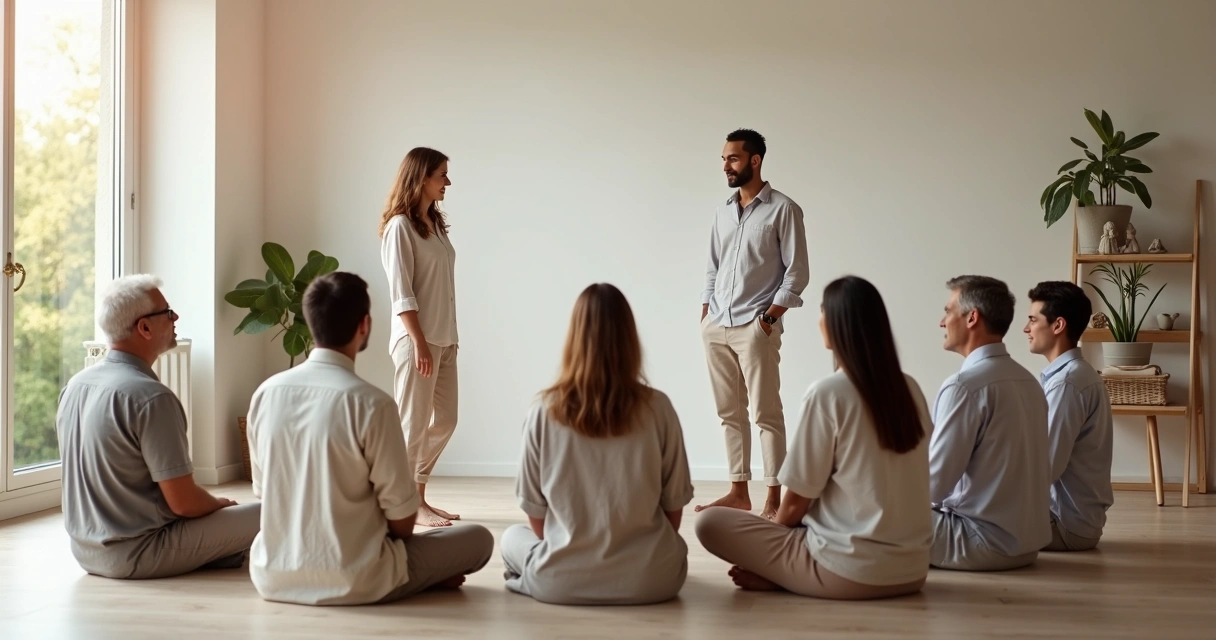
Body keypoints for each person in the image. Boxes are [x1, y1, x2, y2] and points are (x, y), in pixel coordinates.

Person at [245, 272, 493, 605]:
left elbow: (265, 497)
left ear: (310, 320)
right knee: (478, 539)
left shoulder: (265, 394)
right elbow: (404, 525)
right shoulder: (372, 404)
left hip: (271, 577)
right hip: (358, 579)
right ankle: (424, 576)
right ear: (364, 325)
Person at [696, 276, 932, 599]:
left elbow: (794, 505)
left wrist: (770, 554)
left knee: (708, 523)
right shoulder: (911, 389)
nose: (819, 320)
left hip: (850, 570)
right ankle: (789, 571)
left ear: (835, 325)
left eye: (822, 311)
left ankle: (786, 575)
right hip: (913, 569)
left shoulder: (828, 394)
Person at [502, 283, 695, 605]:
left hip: (560, 582)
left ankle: (542, 572)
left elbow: (536, 521)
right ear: (630, 338)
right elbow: (674, 511)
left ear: (573, 339)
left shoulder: (542, 410)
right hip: (653, 581)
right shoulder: (659, 407)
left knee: (511, 538)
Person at [56, 275, 259, 579]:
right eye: (167, 312)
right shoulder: (151, 398)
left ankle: (221, 551)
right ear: (144, 327)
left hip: (85, 553)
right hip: (139, 552)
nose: (175, 317)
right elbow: (185, 503)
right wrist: (218, 504)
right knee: (279, 509)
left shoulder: (76, 384)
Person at [697, 128, 810, 520]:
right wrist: (705, 311)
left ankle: (774, 497)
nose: (726, 166)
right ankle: (738, 491)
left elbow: (797, 273)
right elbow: (713, 266)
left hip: (755, 326)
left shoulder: (784, 209)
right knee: (729, 412)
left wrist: (768, 319)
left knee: (765, 414)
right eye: (724, 159)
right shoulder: (722, 211)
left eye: (733, 158)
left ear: (755, 161)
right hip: (718, 324)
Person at [931, 275, 1051, 571]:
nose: (942, 322)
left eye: (948, 311)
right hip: (1026, 546)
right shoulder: (1029, 382)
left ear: (972, 318)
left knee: (859, 510)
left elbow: (933, 485)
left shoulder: (963, 386)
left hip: (978, 543)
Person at [378, 146, 461, 527]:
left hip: (444, 339)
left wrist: (448, 338)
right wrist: (419, 341)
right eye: (442, 174)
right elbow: (402, 292)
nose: (448, 181)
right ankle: (405, 504)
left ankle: (418, 495)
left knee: (445, 419)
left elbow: (442, 286)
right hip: (417, 341)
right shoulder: (400, 227)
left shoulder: (435, 225)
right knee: (412, 423)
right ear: (422, 177)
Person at [1024, 281, 1113, 551]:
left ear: (1058, 325)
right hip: (1072, 521)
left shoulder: (1067, 384)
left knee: (950, 521)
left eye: (1032, 320)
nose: (1026, 329)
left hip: (1063, 525)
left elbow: (1045, 467)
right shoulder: (1073, 375)